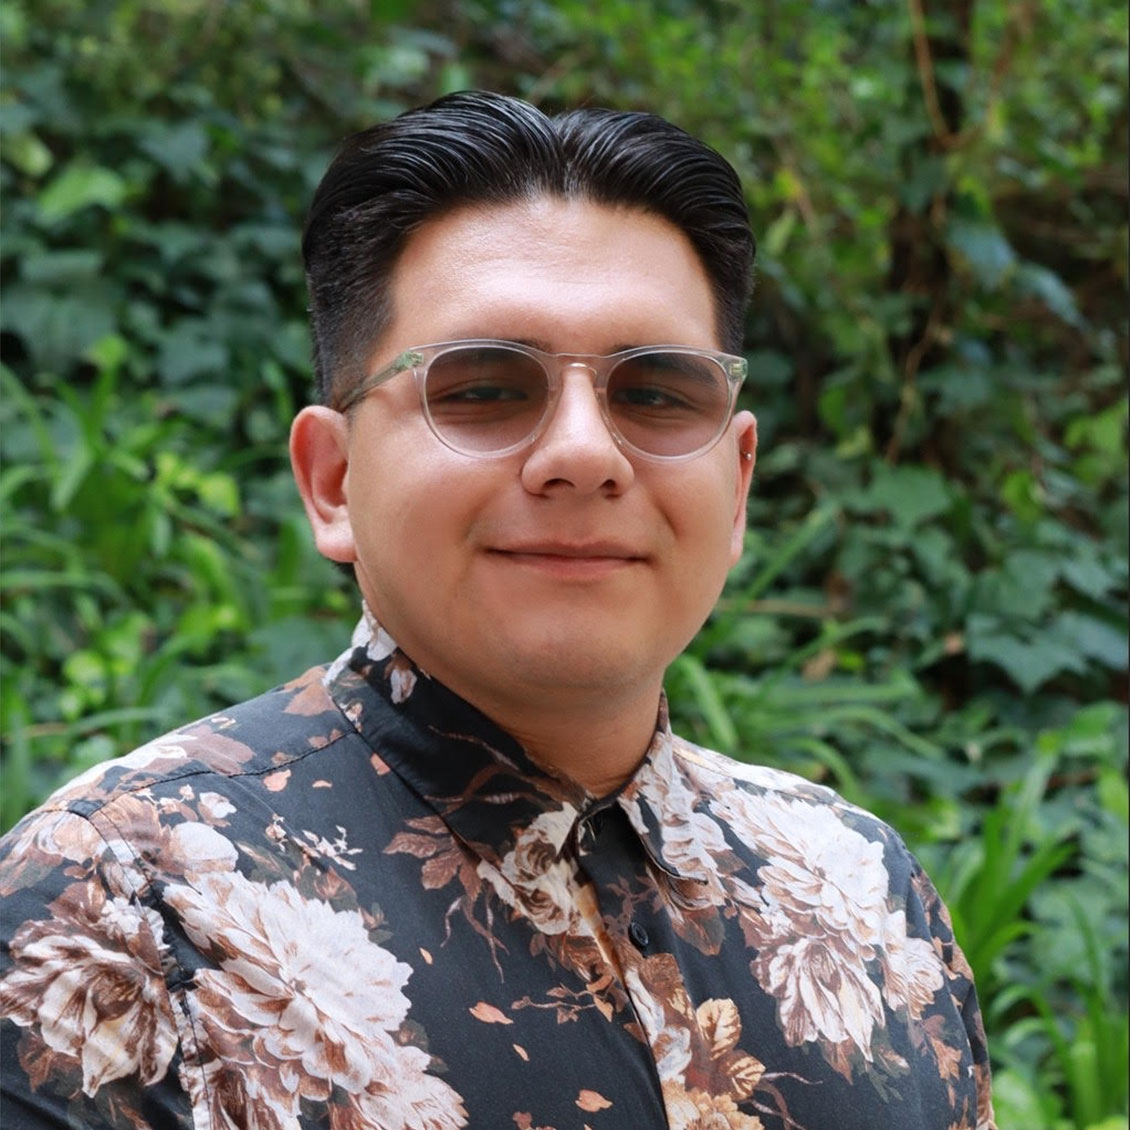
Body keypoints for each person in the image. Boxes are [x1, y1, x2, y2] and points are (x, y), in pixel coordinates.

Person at [0, 91, 995, 1130]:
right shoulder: (116, 910)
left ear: (736, 485)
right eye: (481, 388)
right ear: (332, 480)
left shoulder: (864, 894)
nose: (582, 454)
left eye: (655, 392)